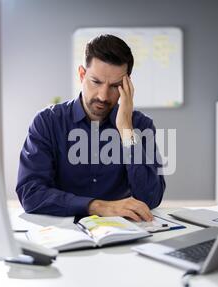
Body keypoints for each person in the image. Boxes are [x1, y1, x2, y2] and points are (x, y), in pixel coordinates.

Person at [16, 34, 165, 222]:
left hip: (122, 233)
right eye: (96, 82)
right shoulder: (47, 122)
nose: (103, 96)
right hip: (63, 230)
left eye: (115, 86)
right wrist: (98, 206)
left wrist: (126, 130)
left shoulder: (141, 125)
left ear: (126, 86)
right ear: (81, 74)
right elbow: (30, 193)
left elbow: (150, 198)